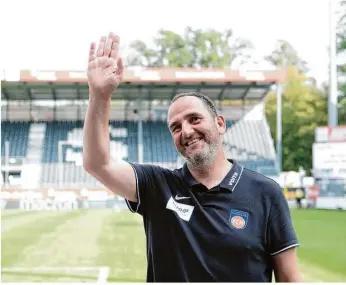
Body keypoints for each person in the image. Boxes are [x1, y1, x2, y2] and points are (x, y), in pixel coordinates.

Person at [83, 32, 303, 282]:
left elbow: (290, 279)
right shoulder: (158, 186)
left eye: (194, 119)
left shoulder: (266, 192)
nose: (186, 131)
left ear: (220, 124)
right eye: (175, 127)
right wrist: (100, 96)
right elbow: (97, 163)